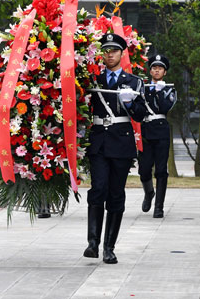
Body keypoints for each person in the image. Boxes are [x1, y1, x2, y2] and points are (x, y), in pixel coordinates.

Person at [84, 33, 146, 264]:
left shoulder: (134, 82)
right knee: (97, 188)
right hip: (99, 140)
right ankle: (93, 243)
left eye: (114, 51)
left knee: (116, 194)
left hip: (121, 141)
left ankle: (109, 247)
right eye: (106, 51)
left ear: (122, 53)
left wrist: (130, 103)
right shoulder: (93, 80)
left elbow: (141, 114)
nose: (109, 54)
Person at [139, 54, 176, 218]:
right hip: (146, 131)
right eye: (154, 67)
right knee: (144, 170)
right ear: (150, 71)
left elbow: (165, 107)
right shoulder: (142, 88)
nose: (156, 70)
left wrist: (159, 92)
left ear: (164, 72)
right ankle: (149, 193)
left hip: (161, 131)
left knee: (161, 170)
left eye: (160, 68)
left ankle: (159, 206)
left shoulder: (169, 90)